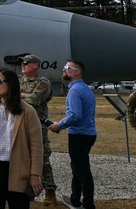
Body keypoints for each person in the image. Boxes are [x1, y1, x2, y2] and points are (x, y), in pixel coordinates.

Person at [0, 68, 43, 209]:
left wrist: (35, 174)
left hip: (19, 171)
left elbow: (36, 147)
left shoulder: (28, 111)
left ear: (11, 84)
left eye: (0, 81)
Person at [49, 60, 97, 209]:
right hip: (88, 134)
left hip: (79, 135)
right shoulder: (85, 88)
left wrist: (59, 125)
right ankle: (75, 200)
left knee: (82, 171)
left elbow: (75, 115)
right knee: (77, 169)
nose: (64, 70)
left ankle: (88, 205)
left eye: (67, 68)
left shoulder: (75, 90)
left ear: (77, 72)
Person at [18, 55, 58, 204]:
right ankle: (27, 193)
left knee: (42, 158)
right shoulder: (18, 80)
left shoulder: (43, 82)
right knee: (22, 157)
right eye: (22, 63)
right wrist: (25, 95)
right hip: (19, 123)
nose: (23, 65)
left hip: (37, 125)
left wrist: (20, 95)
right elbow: (9, 97)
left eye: (26, 63)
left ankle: (50, 192)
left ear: (35, 65)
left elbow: (34, 101)